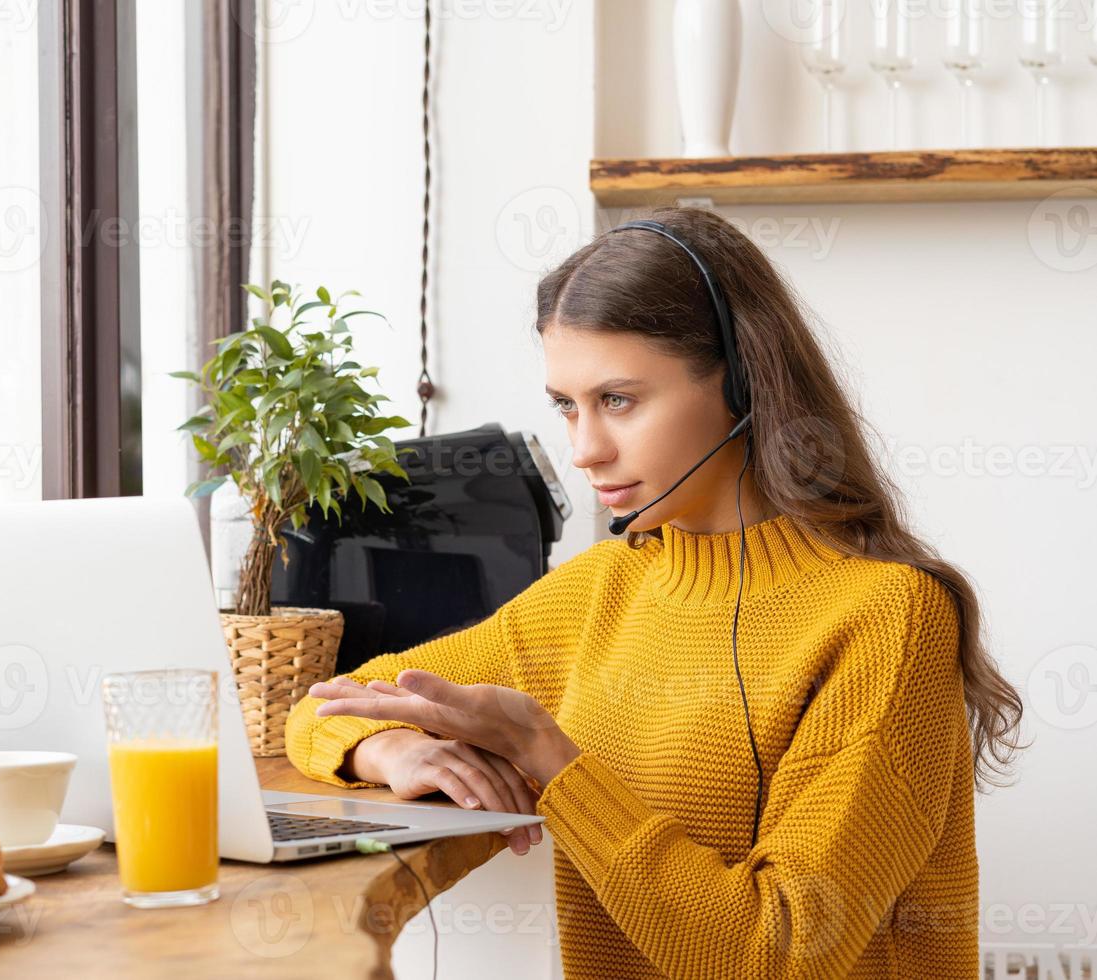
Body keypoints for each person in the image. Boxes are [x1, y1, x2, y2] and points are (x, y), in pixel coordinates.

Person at [284, 206, 1024, 979]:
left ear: (741, 382)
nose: (584, 449)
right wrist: (392, 749)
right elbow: (323, 707)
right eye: (566, 405)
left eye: (619, 400)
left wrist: (551, 757)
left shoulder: (887, 618)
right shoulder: (602, 590)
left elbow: (777, 951)